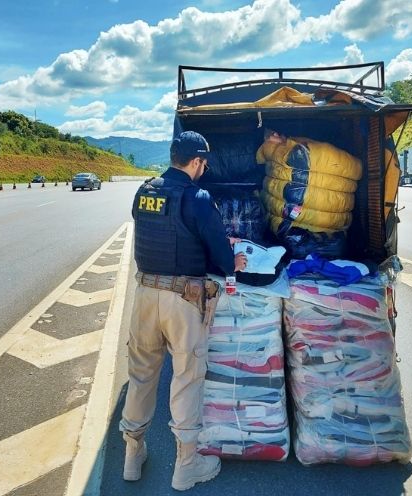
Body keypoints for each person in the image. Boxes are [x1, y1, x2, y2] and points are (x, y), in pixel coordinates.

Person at [120, 130, 248, 491]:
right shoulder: (198, 197)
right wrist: (232, 259)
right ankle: (187, 465)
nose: (204, 169)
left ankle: (132, 454)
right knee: (187, 376)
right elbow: (220, 257)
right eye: (203, 163)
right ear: (196, 162)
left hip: (145, 294)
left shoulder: (145, 191)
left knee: (141, 376)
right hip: (183, 299)